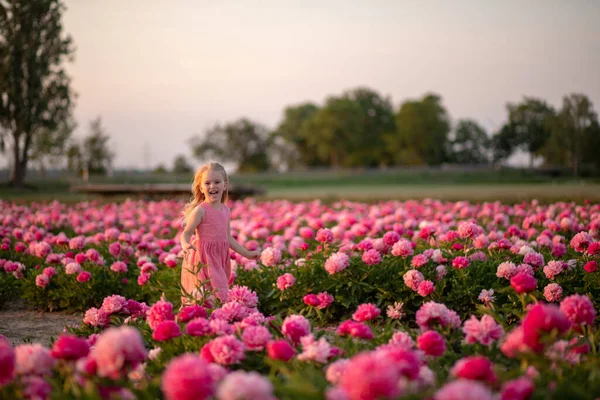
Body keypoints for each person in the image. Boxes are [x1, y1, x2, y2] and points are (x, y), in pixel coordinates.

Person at [179, 162, 259, 304]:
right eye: (207, 183)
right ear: (201, 188)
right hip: (203, 259)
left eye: (217, 182)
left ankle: (216, 322)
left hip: (220, 258)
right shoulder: (201, 210)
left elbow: (227, 238)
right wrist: (185, 244)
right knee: (206, 297)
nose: (212, 186)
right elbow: (186, 233)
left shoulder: (225, 210)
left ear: (225, 185)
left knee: (217, 296)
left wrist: (247, 254)